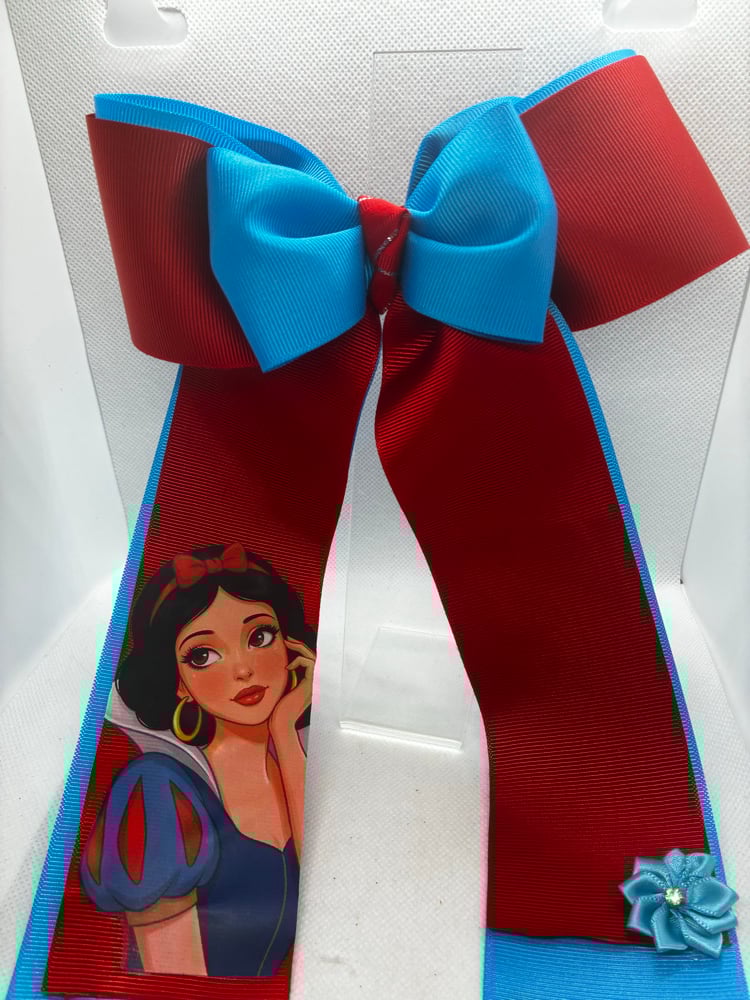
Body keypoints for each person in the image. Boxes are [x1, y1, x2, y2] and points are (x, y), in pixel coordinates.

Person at [79, 542, 316, 977]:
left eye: (260, 637)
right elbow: (171, 984)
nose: (243, 669)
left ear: (292, 647)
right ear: (179, 683)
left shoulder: (306, 765)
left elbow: (335, 900)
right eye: (202, 655)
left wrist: (285, 734)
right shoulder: (157, 790)